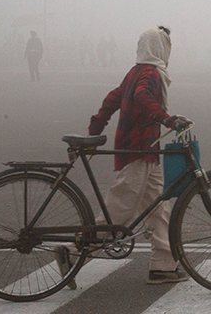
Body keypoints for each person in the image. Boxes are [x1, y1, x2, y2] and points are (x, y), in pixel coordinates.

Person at [79, 26, 189, 285]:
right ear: (160, 48)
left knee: (158, 207)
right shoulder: (149, 73)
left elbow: (112, 99)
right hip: (137, 149)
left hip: (146, 150)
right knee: (120, 209)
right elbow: (142, 96)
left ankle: (164, 264)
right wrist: (167, 119)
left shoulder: (136, 71)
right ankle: (73, 255)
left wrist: (95, 127)